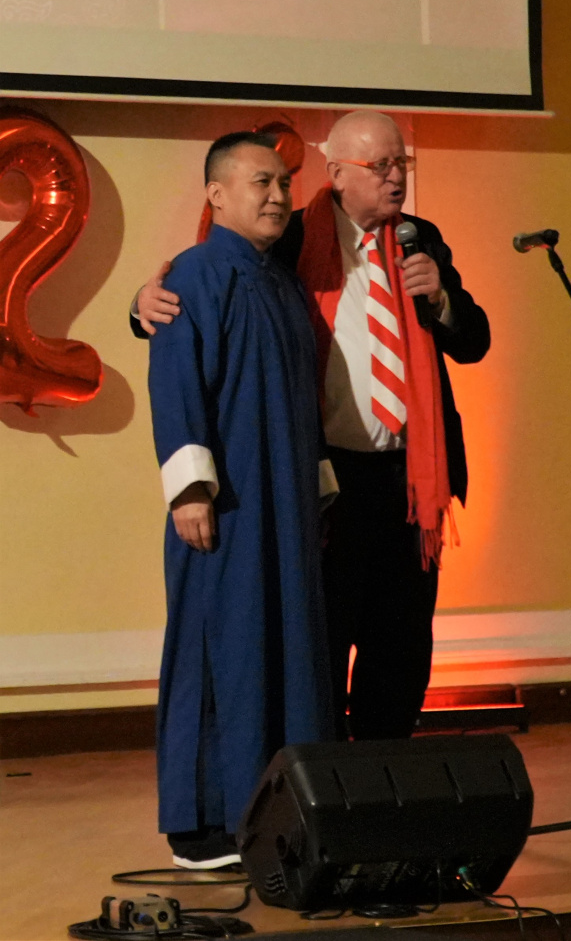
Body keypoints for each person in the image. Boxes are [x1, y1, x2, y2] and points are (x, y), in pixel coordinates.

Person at [136, 111, 490, 742]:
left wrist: (440, 300)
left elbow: (474, 342)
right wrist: (139, 308)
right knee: (322, 640)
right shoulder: (291, 235)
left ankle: (386, 774)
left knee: (401, 648)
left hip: (411, 482)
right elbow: (210, 291)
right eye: (379, 166)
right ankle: (327, 781)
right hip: (327, 481)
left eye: (401, 164)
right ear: (336, 174)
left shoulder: (421, 239)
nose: (396, 178)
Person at [148, 132, 334, 870]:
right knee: (216, 646)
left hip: (284, 505)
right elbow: (176, 383)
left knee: (283, 647)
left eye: (285, 183)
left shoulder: (283, 284)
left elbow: (305, 399)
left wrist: (318, 493)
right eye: (262, 182)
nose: (280, 196)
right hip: (223, 508)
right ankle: (203, 825)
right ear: (217, 194)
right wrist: (190, 491)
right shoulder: (192, 276)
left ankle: (277, 812)